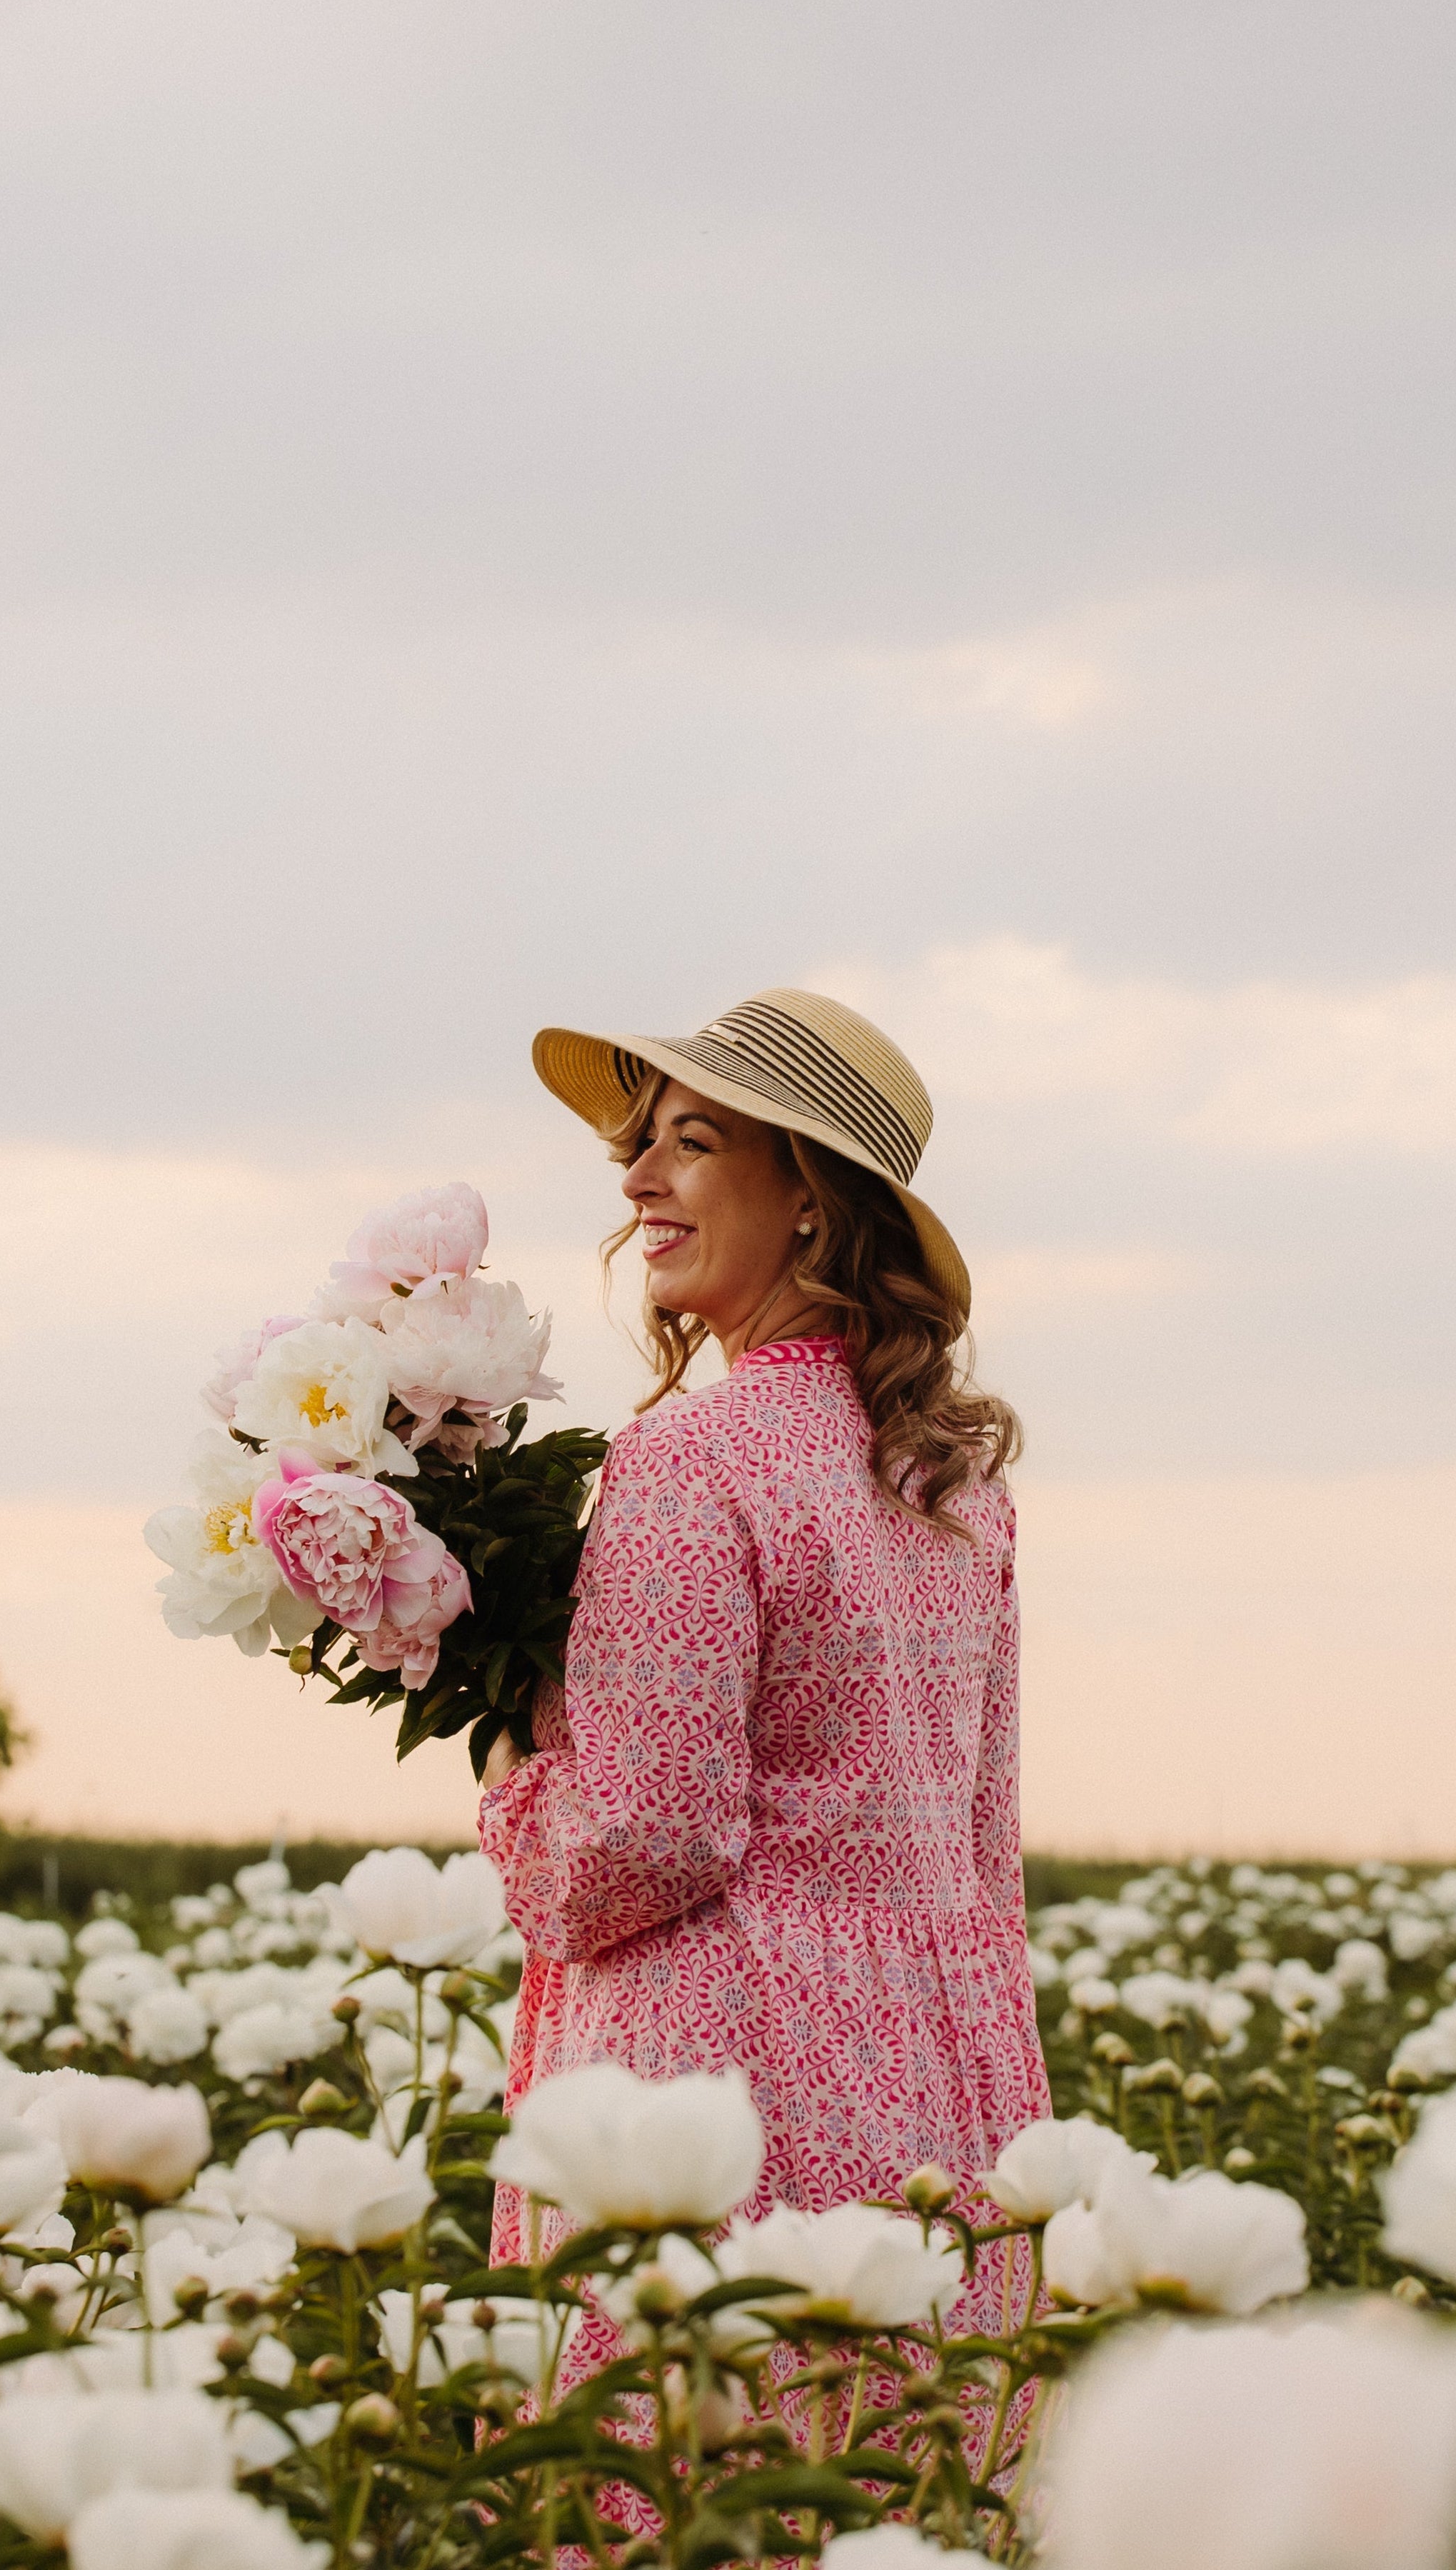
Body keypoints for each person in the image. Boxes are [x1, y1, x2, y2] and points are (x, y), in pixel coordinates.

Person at [476, 988, 1047, 2326]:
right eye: (642, 1143)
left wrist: (502, 1753)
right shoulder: (957, 1482)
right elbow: (984, 1842)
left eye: (692, 1143)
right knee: (895, 2445)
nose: (638, 1179)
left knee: (698, 2449)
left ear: (809, 1198)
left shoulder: (691, 1458)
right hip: (942, 2084)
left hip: (722, 2104)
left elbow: (645, 1834)